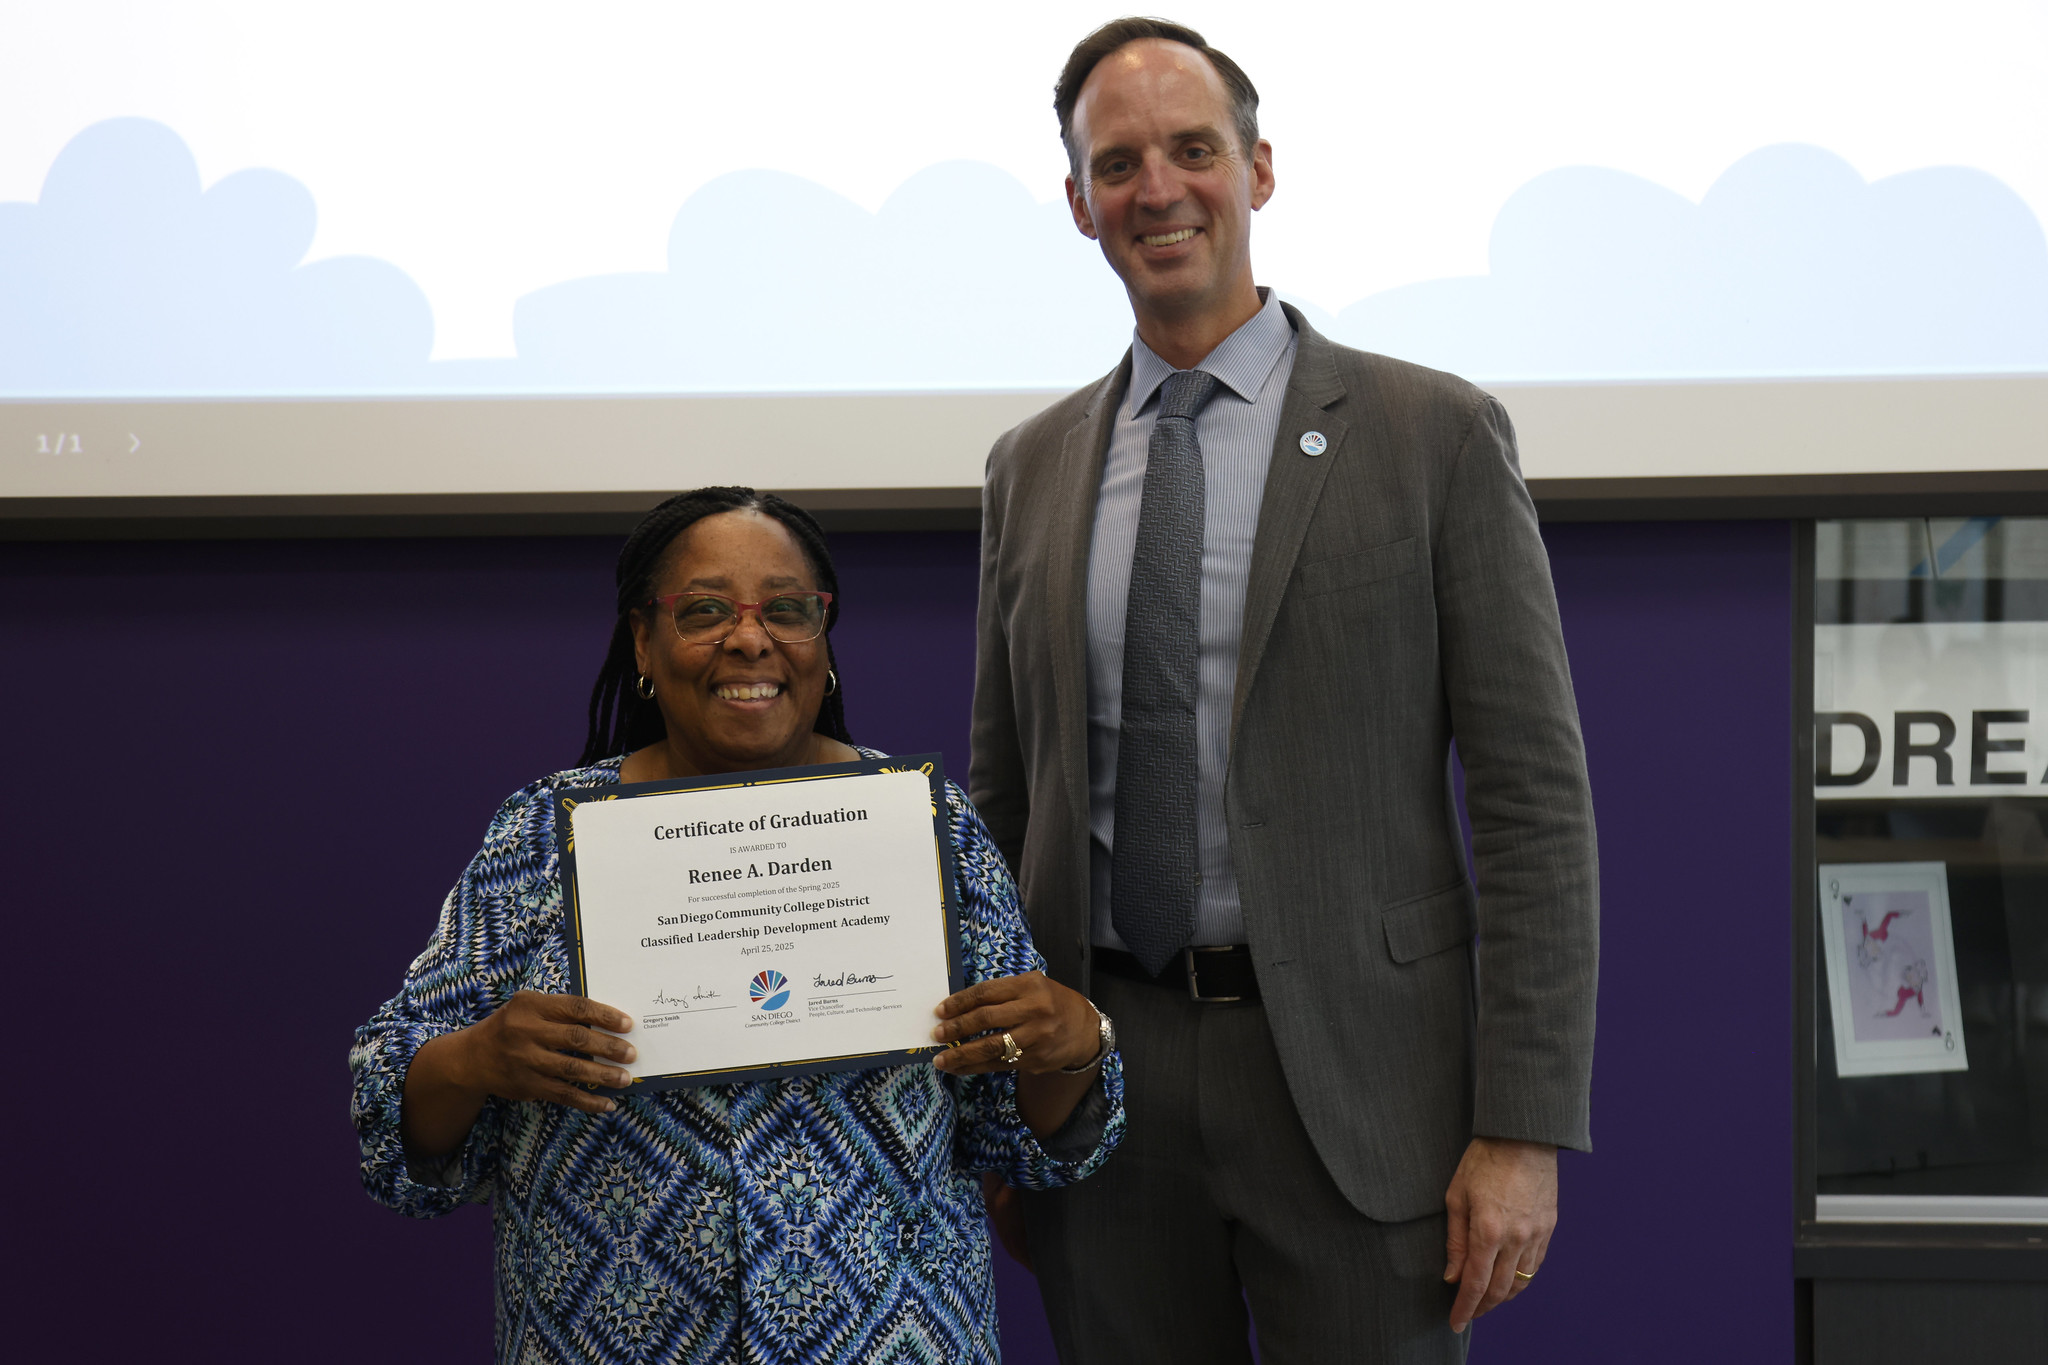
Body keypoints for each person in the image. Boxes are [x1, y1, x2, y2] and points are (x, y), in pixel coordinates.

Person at [969, 18, 1599, 1363]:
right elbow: (1005, 802)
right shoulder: (1027, 468)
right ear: (1080, 205)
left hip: (1364, 1093)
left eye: (1193, 150)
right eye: (1118, 162)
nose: (1160, 189)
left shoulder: (1433, 434)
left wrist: (1523, 1125)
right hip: (1100, 1079)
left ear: (1259, 169)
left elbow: (1535, 803)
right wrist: (1005, 1107)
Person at [352, 486, 1124, 1365]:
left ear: (823, 641)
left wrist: (1070, 1045)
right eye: (705, 609)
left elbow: (1023, 1137)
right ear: (643, 640)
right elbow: (390, 1120)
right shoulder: (543, 834)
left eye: (786, 610)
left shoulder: (924, 824)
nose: (750, 638)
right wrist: (474, 1057)